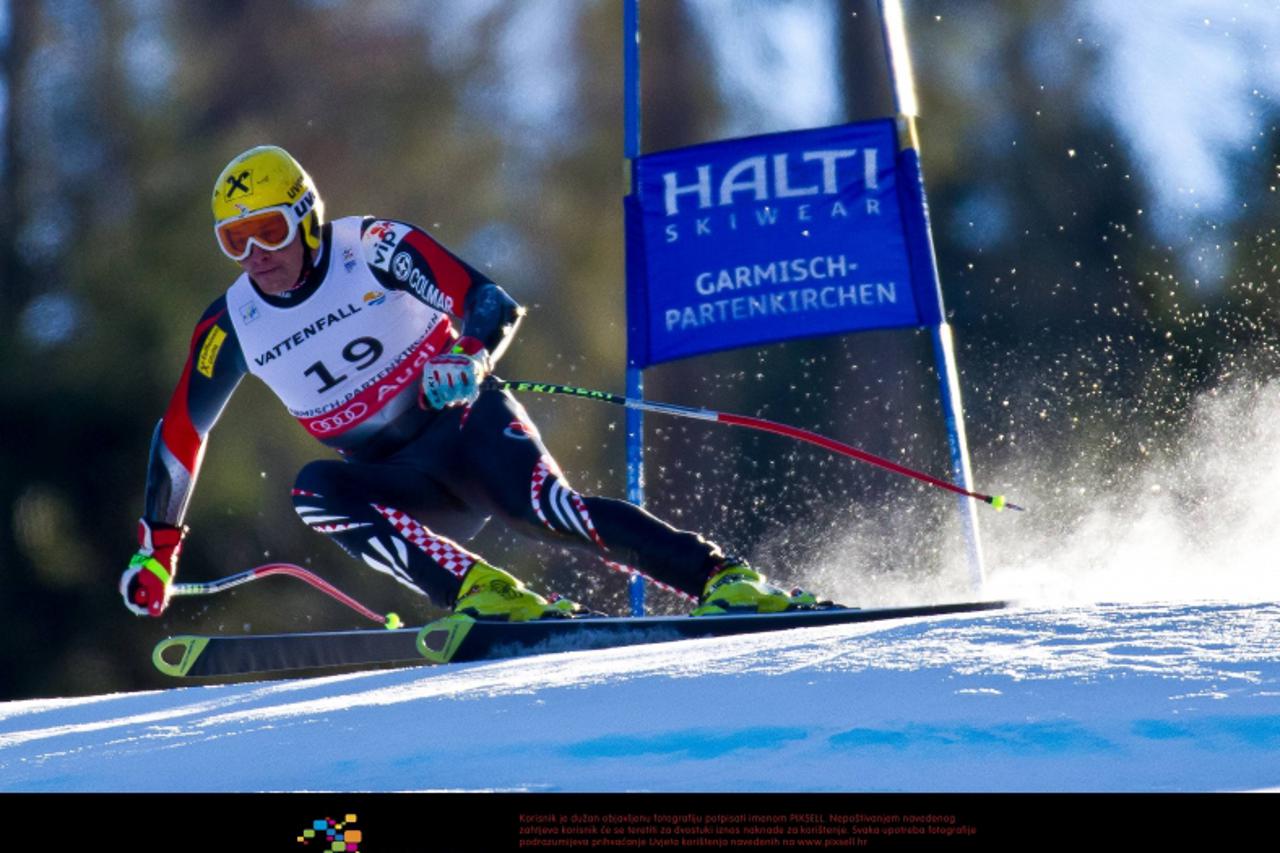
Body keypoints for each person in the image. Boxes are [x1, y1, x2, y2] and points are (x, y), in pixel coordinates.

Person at [121, 145, 821, 624]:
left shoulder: (371, 247)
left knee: (550, 514)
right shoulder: (232, 322)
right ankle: (484, 594)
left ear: (306, 215)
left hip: (466, 428)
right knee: (315, 490)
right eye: (233, 240)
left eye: (269, 230)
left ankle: (725, 580)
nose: (256, 256)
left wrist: (470, 354)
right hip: (400, 479)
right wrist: (158, 547)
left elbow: (488, 302)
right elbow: (183, 432)